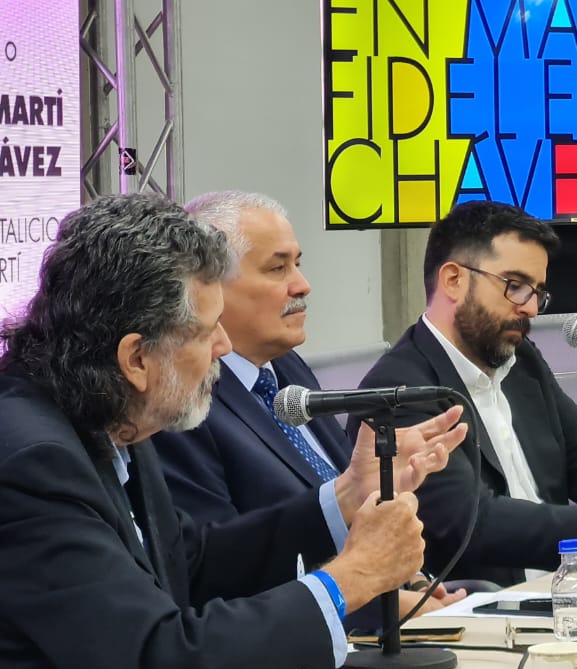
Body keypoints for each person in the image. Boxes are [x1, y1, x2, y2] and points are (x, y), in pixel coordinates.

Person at [0, 194, 465, 669]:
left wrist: (343, 499)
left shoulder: (101, 406)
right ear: (136, 358)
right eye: (205, 331)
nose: (223, 346)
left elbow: (189, 564)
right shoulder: (26, 464)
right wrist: (350, 578)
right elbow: (157, 661)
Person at [355, 200, 577, 586]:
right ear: (454, 280)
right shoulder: (399, 390)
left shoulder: (522, 361)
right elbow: (473, 525)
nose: (530, 309)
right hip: (476, 606)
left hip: (566, 590)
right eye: (515, 286)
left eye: (537, 293)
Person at [151, 190, 466, 620]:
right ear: (211, 286)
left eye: (297, 264)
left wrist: (409, 580)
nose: (302, 285)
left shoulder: (287, 368)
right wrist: (377, 604)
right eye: (277, 268)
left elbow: (349, 499)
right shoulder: (183, 403)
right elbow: (213, 575)